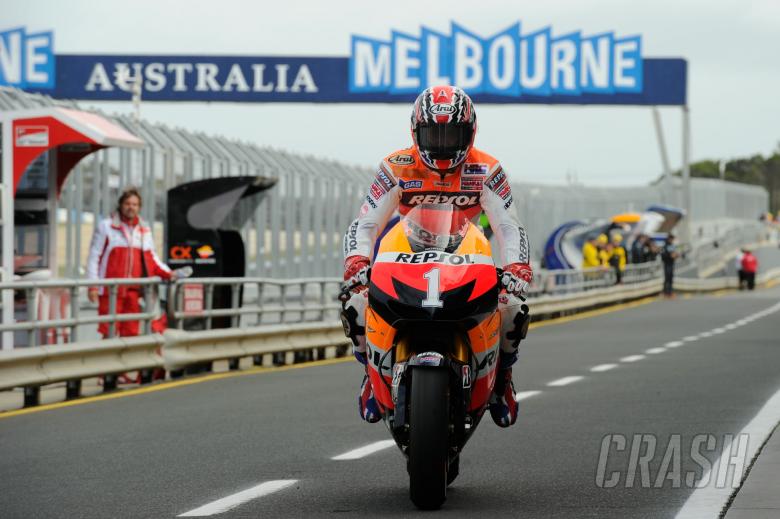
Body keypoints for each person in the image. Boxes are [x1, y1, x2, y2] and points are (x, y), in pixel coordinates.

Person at [341, 85, 532, 428]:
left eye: (451, 133)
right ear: (416, 132)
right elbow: (366, 223)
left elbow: (508, 225)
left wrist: (517, 268)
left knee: (513, 308)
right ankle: (370, 374)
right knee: (355, 302)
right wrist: (356, 262)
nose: (443, 143)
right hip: (403, 254)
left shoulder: (488, 168)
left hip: (465, 255)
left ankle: (502, 378)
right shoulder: (395, 166)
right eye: (434, 133)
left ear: (470, 132)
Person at [86, 187, 189, 338]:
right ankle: (109, 359)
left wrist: (170, 273)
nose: (131, 207)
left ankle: (128, 360)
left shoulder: (144, 229)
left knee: (131, 332)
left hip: (133, 290)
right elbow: (94, 257)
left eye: (135, 204)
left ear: (139, 207)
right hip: (111, 290)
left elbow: (152, 258)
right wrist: (93, 286)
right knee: (109, 330)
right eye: (127, 203)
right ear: (121, 205)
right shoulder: (106, 226)